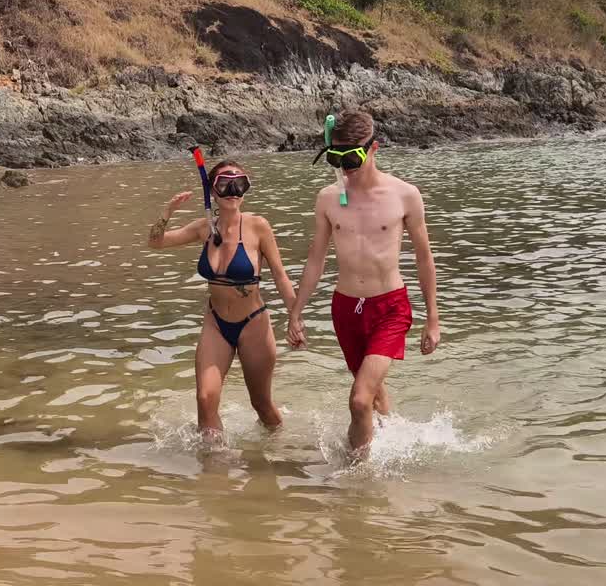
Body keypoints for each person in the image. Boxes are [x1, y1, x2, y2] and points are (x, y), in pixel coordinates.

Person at [287, 108, 441, 457]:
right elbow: (316, 258)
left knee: (359, 400)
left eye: (352, 157)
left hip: (390, 307)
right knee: (374, 392)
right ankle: (392, 442)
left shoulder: (404, 195)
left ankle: (357, 474)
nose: (345, 167)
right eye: (336, 157)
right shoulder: (328, 199)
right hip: (345, 309)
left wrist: (433, 319)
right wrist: (296, 313)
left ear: (374, 148)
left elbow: (424, 258)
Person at [147, 161, 298, 440]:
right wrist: (167, 212)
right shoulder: (204, 228)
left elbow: (280, 275)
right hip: (216, 324)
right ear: (212, 192)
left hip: (253, 324)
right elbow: (156, 242)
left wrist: (294, 316)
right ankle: (216, 471)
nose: (233, 191)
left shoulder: (258, 226)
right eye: (224, 184)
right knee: (205, 399)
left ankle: (281, 451)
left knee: (262, 406)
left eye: (240, 183)